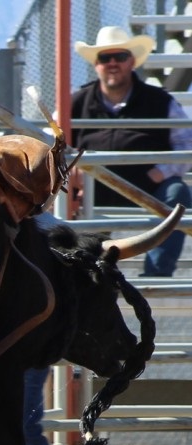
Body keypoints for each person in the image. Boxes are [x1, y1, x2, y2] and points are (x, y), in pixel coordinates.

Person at [70, 25, 192, 277]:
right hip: (92, 190)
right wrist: (72, 174)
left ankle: (156, 275)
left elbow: (186, 145)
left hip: (146, 187)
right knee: (54, 198)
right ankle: (81, 275)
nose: (112, 63)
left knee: (177, 192)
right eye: (105, 57)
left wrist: (158, 174)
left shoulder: (160, 100)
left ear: (132, 61)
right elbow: (54, 143)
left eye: (120, 57)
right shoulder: (75, 101)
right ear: (96, 64)